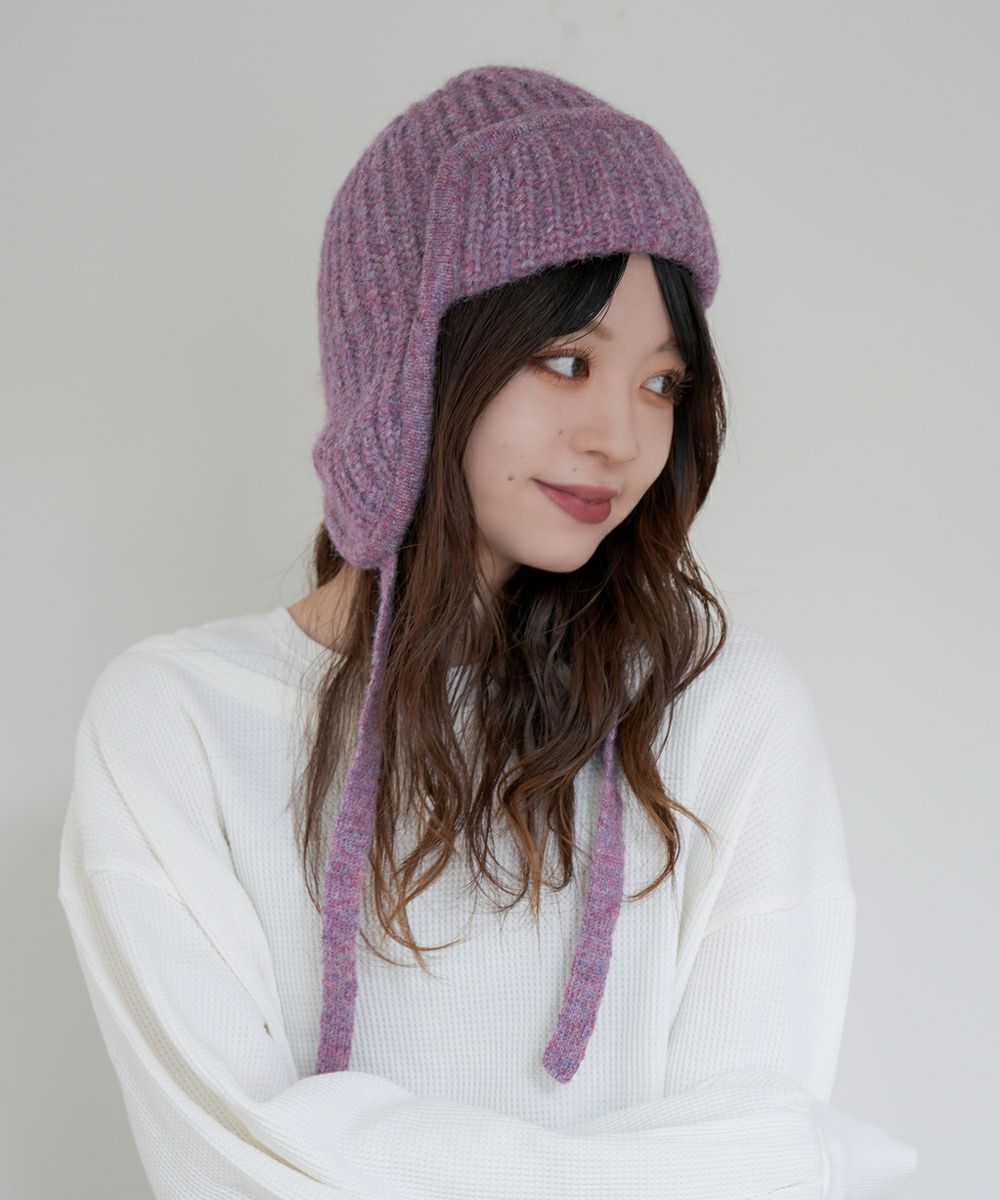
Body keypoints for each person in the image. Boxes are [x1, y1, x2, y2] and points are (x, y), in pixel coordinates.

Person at [57, 63, 919, 1199]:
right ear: (409, 367)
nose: (621, 438)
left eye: (662, 384)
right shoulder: (175, 723)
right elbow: (230, 1163)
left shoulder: (728, 714)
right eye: (567, 362)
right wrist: (781, 1160)